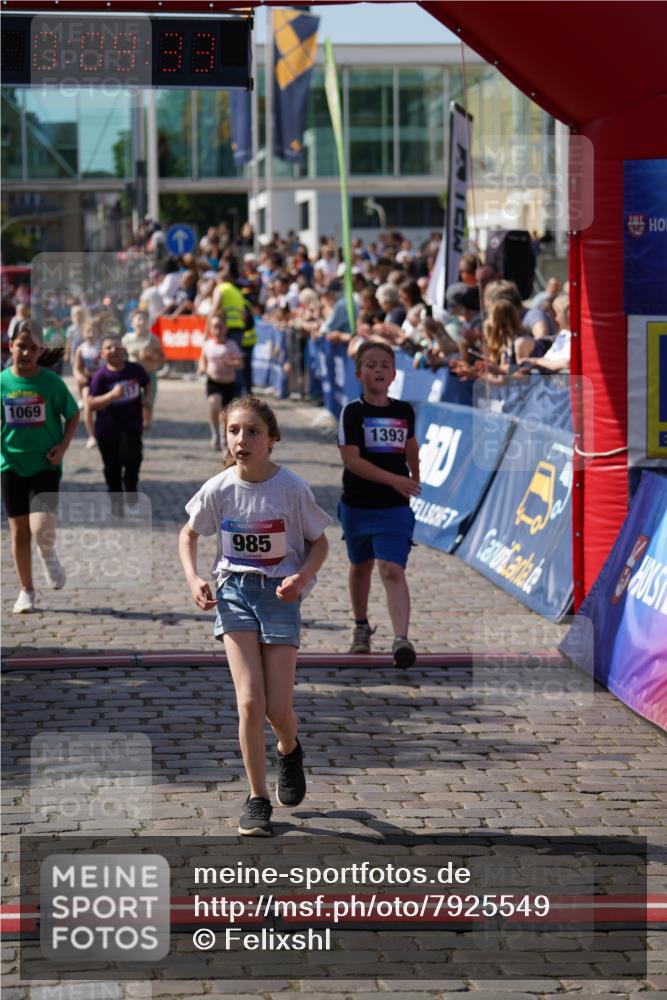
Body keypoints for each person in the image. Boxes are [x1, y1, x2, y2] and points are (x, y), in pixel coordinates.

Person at [179, 396, 331, 836]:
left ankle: (289, 748)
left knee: (277, 708)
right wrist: (193, 578)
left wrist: (301, 577)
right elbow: (188, 534)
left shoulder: (292, 489)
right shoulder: (219, 488)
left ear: (272, 439)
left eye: (252, 431)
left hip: (280, 596)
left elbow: (320, 542)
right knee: (249, 702)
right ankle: (257, 798)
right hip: (234, 594)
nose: (241, 439)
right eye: (233, 431)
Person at [338, 341, 420, 667]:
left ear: (394, 374)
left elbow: (411, 445)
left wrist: (414, 476)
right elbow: (351, 460)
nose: (379, 370)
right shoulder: (353, 412)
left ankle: (401, 639)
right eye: (371, 365)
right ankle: (361, 627)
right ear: (359, 374)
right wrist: (395, 479)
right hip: (358, 504)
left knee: (392, 569)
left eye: (385, 365)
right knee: (361, 566)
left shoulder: (404, 411)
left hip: (394, 507)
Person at [1, 319, 79, 613]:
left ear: (41, 351)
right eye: (21, 346)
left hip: (45, 463)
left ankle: (47, 554)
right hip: (10, 465)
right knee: (20, 532)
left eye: (33, 348)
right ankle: (26, 590)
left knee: (41, 526)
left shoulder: (51, 382)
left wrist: (63, 447)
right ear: (10, 345)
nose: (26, 353)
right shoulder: (2, 382)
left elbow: (73, 414)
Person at [88, 337, 152, 518]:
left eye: (117, 347)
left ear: (123, 350)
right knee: (112, 468)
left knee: (132, 459)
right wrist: (111, 396)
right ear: (102, 353)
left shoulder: (135, 369)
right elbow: (91, 403)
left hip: (131, 426)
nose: (113, 350)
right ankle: (116, 502)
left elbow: (147, 383)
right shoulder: (101, 376)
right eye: (108, 348)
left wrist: (147, 399)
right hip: (107, 430)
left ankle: (131, 485)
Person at [197, 315, 243, 450]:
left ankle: (224, 437)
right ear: (211, 329)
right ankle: (215, 433)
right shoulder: (208, 344)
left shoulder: (231, 345)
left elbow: (240, 363)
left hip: (229, 384)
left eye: (220, 327)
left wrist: (230, 363)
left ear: (226, 328)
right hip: (213, 382)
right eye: (215, 327)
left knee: (226, 414)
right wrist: (202, 367)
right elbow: (203, 358)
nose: (218, 330)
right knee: (214, 405)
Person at [122, 308, 165, 414]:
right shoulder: (126, 339)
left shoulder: (153, 339)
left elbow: (163, 359)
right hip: (133, 376)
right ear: (132, 323)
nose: (142, 322)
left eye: (145, 319)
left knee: (148, 404)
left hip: (149, 375)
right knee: (133, 404)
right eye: (139, 319)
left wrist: (151, 356)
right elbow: (120, 358)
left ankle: (147, 421)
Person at [72, 318, 102, 448]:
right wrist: (79, 376)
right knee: (88, 407)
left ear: (98, 332)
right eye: (88, 331)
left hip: (102, 381)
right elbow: (76, 368)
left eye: (93, 331)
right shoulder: (81, 349)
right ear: (83, 333)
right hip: (88, 382)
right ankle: (92, 435)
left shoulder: (102, 347)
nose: (91, 334)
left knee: (104, 408)